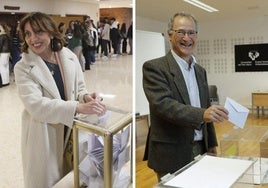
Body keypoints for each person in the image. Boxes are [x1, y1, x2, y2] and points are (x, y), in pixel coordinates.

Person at [14, 12, 106, 188]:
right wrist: (78, 107)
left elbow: (79, 88)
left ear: (50, 32)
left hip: (69, 130)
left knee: (68, 177)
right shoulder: (23, 68)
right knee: (46, 180)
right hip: (42, 134)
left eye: (38, 32)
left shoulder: (68, 56)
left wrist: (85, 97)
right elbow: (36, 106)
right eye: (28, 34)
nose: (33, 39)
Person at [142, 12, 229, 182]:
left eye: (191, 33)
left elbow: (206, 107)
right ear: (169, 35)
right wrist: (201, 114)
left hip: (200, 148)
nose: (186, 38)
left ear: (196, 36)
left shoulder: (200, 71)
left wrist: (211, 144)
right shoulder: (155, 67)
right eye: (180, 32)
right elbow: (163, 105)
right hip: (171, 153)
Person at [0, 22, 11, 87]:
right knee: (6, 67)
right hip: (7, 53)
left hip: (3, 53)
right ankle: (6, 81)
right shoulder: (7, 35)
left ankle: (3, 82)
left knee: (2, 68)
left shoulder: (2, 35)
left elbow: (0, 45)